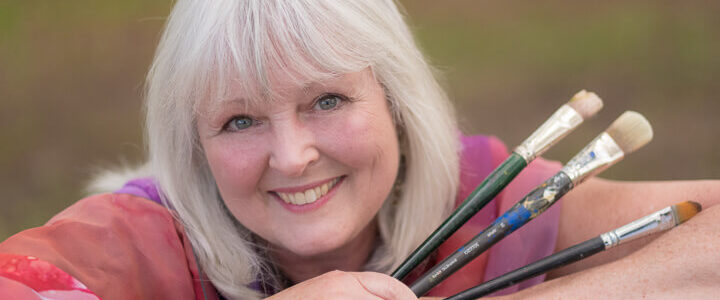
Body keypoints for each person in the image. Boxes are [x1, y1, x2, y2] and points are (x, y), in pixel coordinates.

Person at [1, 1, 719, 299]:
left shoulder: (483, 198)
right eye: (240, 122)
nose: (292, 156)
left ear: (397, 106)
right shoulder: (137, 240)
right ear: (195, 143)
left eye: (327, 101)